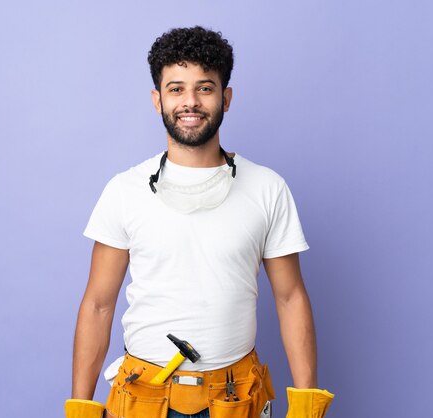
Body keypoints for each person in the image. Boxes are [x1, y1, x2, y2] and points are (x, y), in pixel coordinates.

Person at [65, 26, 334, 418]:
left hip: (235, 397)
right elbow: (98, 305)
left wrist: (308, 404)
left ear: (226, 97)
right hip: (143, 397)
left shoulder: (267, 188)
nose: (190, 102)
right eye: (176, 88)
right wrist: (82, 408)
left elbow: (290, 297)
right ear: (158, 99)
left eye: (204, 88)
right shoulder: (125, 190)